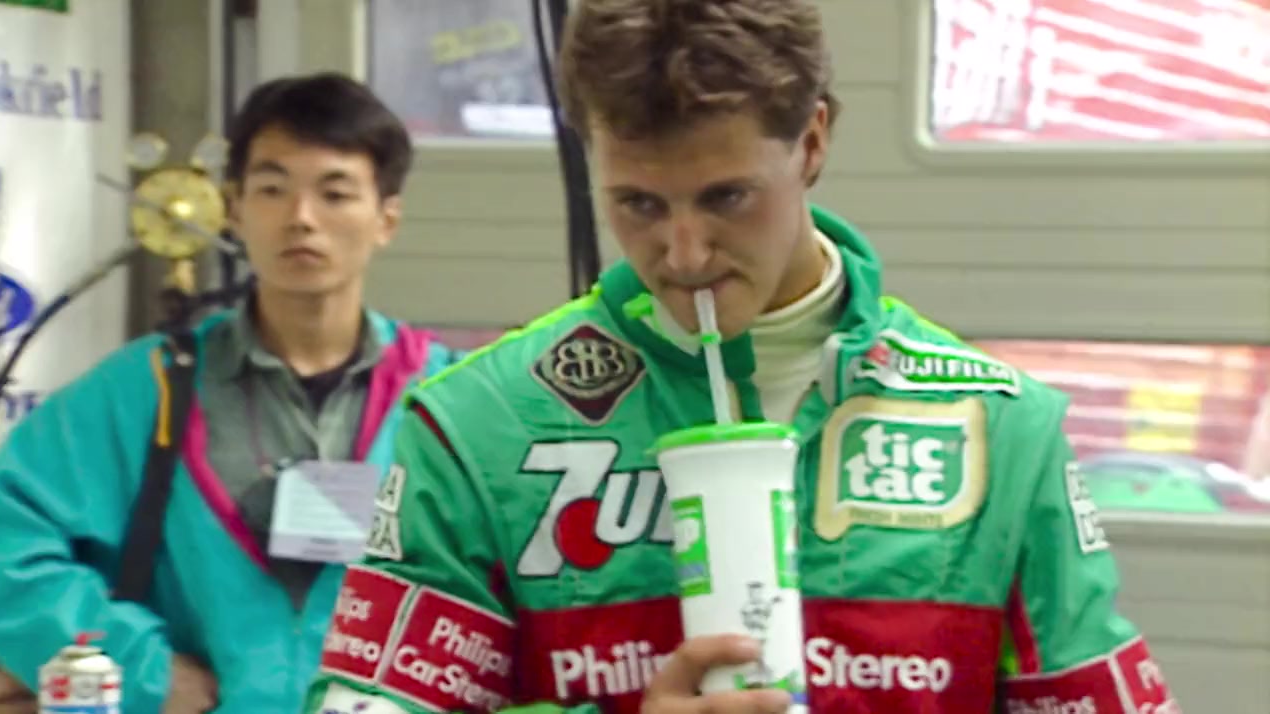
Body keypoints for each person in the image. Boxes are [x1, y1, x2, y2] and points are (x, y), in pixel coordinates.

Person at [301, 2, 1182, 712]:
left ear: (812, 143)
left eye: (727, 197)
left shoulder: (1000, 427)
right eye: (638, 204)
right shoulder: (480, 425)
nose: (683, 254)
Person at [0, 72, 460, 714]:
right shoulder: (147, 389)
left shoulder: (447, 398)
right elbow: (5, 546)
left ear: (387, 218)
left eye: (335, 193)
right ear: (234, 211)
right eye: (272, 189)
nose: (301, 218)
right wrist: (136, 666)